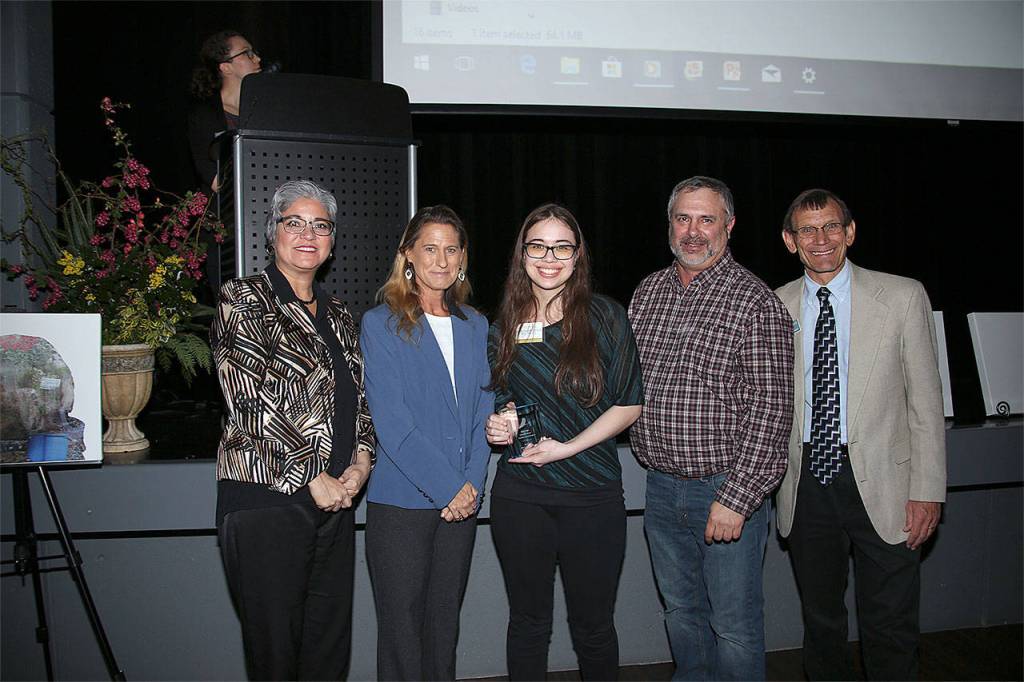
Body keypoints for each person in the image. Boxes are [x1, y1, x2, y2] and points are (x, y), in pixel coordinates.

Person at [775, 188, 946, 680]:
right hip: (806, 482)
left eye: (831, 226)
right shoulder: (773, 304)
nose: (820, 239)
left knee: (890, 622)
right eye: (807, 230)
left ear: (850, 232)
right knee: (821, 622)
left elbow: (927, 403)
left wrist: (928, 490)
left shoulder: (902, 296)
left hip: (889, 486)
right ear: (790, 241)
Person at [628, 176, 794, 681]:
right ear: (670, 225)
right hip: (660, 490)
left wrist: (737, 499)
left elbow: (771, 412)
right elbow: (622, 384)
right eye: (683, 218)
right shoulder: (649, 292)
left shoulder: (756, 302)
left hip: (723, 492)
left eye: (706, 219)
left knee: (734, 627)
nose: (693, 231)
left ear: (729, 226)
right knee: (681, 615)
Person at [211, 179, 374, 680]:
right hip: (266, 500)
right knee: (276, 654)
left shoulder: (343, 314)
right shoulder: (243, 300)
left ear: (331, 240)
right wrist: (311, 474)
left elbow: (359, 401)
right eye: (294, 222)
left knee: (327, 650)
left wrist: (362, 459)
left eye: (320, 225)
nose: (308, 234)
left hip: (335, 502)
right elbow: (247, 400)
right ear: (272, 233)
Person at [484, 203, 644, 681]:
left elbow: (629, 403)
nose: (549, 257)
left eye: (561, 246)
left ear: (577, 256)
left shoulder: (606, 317)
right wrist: (503, 423)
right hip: (521, 497)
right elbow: (507, 401)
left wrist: (567, 448)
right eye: (538, 246)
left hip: (591, 496)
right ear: (522, 255)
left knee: (593, 628)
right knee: (527, 625)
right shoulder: (505, 324)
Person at [359, 205, 493, 681]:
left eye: (451, 249)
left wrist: (471, 485)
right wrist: (449, 488)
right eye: (429, 248)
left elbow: (484, 413)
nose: (441, 260)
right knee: (402, 632)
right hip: (403, 501)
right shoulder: (381, 323)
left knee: (444, 626)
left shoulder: (477, 325)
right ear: (408, 256)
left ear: (463, 258)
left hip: (463, 501)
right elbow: (392, 425)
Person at [188, 29, 261, 191]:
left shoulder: (264, 108)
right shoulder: (205, 114)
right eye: (247, 53)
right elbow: (213, 177)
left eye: (254, 52)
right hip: (228, 210)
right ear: (226, 67)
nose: (257, 59)